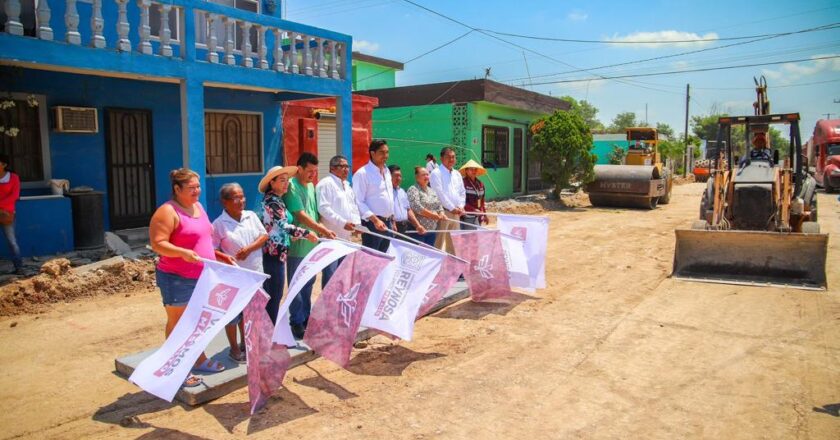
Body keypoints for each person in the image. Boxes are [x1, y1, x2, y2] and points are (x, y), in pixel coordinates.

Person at [149, 168, 235, 387]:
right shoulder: (167, 212)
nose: (197, 191)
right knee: (179, 324)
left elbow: (202, 239)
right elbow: (158, 243)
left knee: (198, 322)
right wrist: (182, 253)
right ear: (177, 189)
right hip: (177, 277)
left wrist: (218, 255)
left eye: (198, 186)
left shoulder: (198, 206)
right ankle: (177, 367)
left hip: (202, 275)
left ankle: (198, 358)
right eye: (192, 187)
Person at [211, 183, 268, 363]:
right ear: (224, 202)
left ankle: (246, 343)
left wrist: (249, 249)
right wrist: (225, 257)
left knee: (250, 311)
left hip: (255, 272)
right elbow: (212, 250)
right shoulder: (219, 225)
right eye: (236, 198)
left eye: (242, 196)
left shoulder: (250, 216)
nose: (241, 201)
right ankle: (234, 349)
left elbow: (264, 235)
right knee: (232, 315)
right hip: (233, 277)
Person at [283, 153, 337, 339]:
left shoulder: (311, 186)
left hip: (313, 245)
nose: (313, 175)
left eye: (315, 171)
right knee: (297, 284)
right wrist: (321, 229)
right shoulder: (292, 186)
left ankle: (306, 316)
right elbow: (301, 215)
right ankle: (296, 321)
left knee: (309, 283)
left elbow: (315, 213)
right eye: (309, 171)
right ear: (299, 168)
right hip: (298, 245)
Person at [256, 165, 317, 326]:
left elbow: (278, 229)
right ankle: (269, 335)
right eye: (282, 181)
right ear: (272, 183)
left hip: (279, 253)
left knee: (275, 294)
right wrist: (305, 233)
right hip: (272, 255)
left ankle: (270, 332)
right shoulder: (272, 201)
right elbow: (283, 225)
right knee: (273, 295)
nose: (286, 184)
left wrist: (291, 238)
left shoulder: (278, 200)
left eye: (287, 181)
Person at [316, 155, 361, 286]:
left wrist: (357, 224)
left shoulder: (347, 185)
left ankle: (339, 304)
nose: (346, 169)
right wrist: (342, 223)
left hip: (346, 238)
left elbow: (353, 207)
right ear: (332, 168)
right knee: (331, 275)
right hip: (331, 238)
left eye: (347, 166)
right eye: (342, 166)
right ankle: (328, 305)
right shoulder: (326, 184)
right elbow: (323, 208)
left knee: (344, 275)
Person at [353, 139, 395, 252]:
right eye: (382, 152)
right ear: (372, 153)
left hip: (387, 223)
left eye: (387, 152)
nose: (385, 155)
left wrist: (392, 220)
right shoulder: (362, 174)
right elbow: (358, 201)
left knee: (385, 259)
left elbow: (389, 196)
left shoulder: (387, 171)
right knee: (371, 260)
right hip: (373, 224)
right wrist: (375, 220)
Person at [430, 146, 465, 254]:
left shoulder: (457, 174)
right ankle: (435, 269)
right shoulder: (436, 173)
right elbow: (439, 193)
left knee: (454, 243)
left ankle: (453, 268)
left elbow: (462, 191)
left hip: (456, 212)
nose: (451, 160)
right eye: (448, 157)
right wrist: (451, 207)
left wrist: (460, 206)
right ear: (441, 158)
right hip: (442, 212)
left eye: (453, 157)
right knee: (438, 243)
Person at [407, 166, 445, 247]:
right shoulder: (413, 189)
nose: (426, 177)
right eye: (423, 175)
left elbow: (439, 205)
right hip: (418, 231)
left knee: (429, 255)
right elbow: (416, 207)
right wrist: (433, 215)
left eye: (427, 174)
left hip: (432, 231)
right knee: (418, 256)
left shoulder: (432, 191)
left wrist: (441, 213)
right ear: (417, 178)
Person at [389, 164, 426, 237]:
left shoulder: (402, 192)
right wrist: (392, 223)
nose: (398, 178)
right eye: (396, 175)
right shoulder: (385, 192)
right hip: (392, 227)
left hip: (404, 227)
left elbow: (408, 210)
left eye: (400, 176)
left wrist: (418, 225)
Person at [0, 155, 22, 274]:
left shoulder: (13, 178)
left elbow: (14, 196)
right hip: (4, 210)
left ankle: (18, 267)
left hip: (7, 213)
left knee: (12, 241)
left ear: (4, 165)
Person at [460, 159, 489, 229]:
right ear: (466, 171)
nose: (474, 171)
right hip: (467, 216)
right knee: (468, 237)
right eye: (471, 169)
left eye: (475, 169)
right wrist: (473, 210)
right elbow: (461, 201)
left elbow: (482, 201)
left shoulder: (481, 184)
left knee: (476, 236)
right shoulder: (462, 183)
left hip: (479, 216)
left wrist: (485, 215)